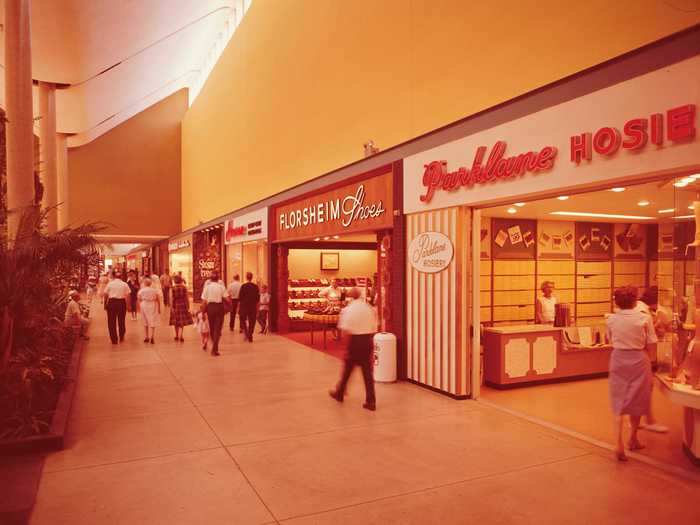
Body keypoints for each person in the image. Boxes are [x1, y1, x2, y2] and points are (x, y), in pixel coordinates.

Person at [606, 286, 658, 461]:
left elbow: (609, 339)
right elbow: (652, 342)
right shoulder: (644, 318)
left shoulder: (611, 319)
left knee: (617, 401)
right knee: (637, 399)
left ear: (617, 301)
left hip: (618, 359)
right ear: (635, 300)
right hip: (638, 359)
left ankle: (618, 442)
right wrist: (652, 362)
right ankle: (633, 438)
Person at [329, 287, 378, 411]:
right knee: (367, 372)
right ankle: (370, 401)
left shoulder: (347, 310)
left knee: (347, 369)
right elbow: (374, 327)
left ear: (350, 297)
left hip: (355, 342)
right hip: (367, 341)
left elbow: (346, 330)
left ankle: (339, 393)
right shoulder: (369, 309)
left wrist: (346, 348)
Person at [634, 287, 670, 434]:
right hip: (641, 355)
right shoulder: (644, 313)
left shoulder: (637, 308)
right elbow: (648, 336)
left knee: (638, 389)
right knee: (646, 388)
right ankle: (648, 420)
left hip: (630, 356)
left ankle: (636, 421)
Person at [201, 270, 227, 355]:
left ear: (210, 279)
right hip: (219, 308)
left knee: (212, 329)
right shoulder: (221, 287)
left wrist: (203, 313)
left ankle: (214, 348)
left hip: (210, 308)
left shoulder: (207, 287)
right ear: (218, 278)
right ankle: (214, 349)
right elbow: (228, 299)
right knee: (218, 329)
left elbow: (204, 301)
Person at [104, 271, 130, 344]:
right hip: (121, 303)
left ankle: (114, 339)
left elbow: (105, 294)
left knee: (111, 322)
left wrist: (105, 304)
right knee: (121, 321)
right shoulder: (124, 284)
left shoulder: (110, 284)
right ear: (121, 277)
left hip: (112, 303)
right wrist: (128, 305)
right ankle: (121, 336)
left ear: (114, 277)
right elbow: (128, 295)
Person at [169, 275, 193, 342]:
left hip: (175, 305)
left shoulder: (172, 288)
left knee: (176, 321)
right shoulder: (184, 287)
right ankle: (181, 335)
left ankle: (176, 335)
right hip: (183, 304)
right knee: (182, 321)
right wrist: (188, 306)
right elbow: (186, 297)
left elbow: (171, 298)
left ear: (175, 280)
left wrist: (171, 307)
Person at [138, 277, 161, 344]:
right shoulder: (154, 290)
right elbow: (158, 299)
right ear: (150, 283)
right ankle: (152, 336)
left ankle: (146, 337)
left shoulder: (142, 290)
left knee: (145, 321)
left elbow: (139, 298)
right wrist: (159, 308)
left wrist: (140, 306)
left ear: (144, 283)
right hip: (152, 304)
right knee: (152, 320)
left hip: (144, 304)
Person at [239, 272, 260, 342]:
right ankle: (250, 334)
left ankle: (246, 331)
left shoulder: (243, 286)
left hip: (244, 306)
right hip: (252, 306)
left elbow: (240, 297)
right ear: (252, 277)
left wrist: (239, 307)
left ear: (246, 277)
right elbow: (258, 298)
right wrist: (257, 308)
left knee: (242, 319)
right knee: (252, 321)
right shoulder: (255, 286)